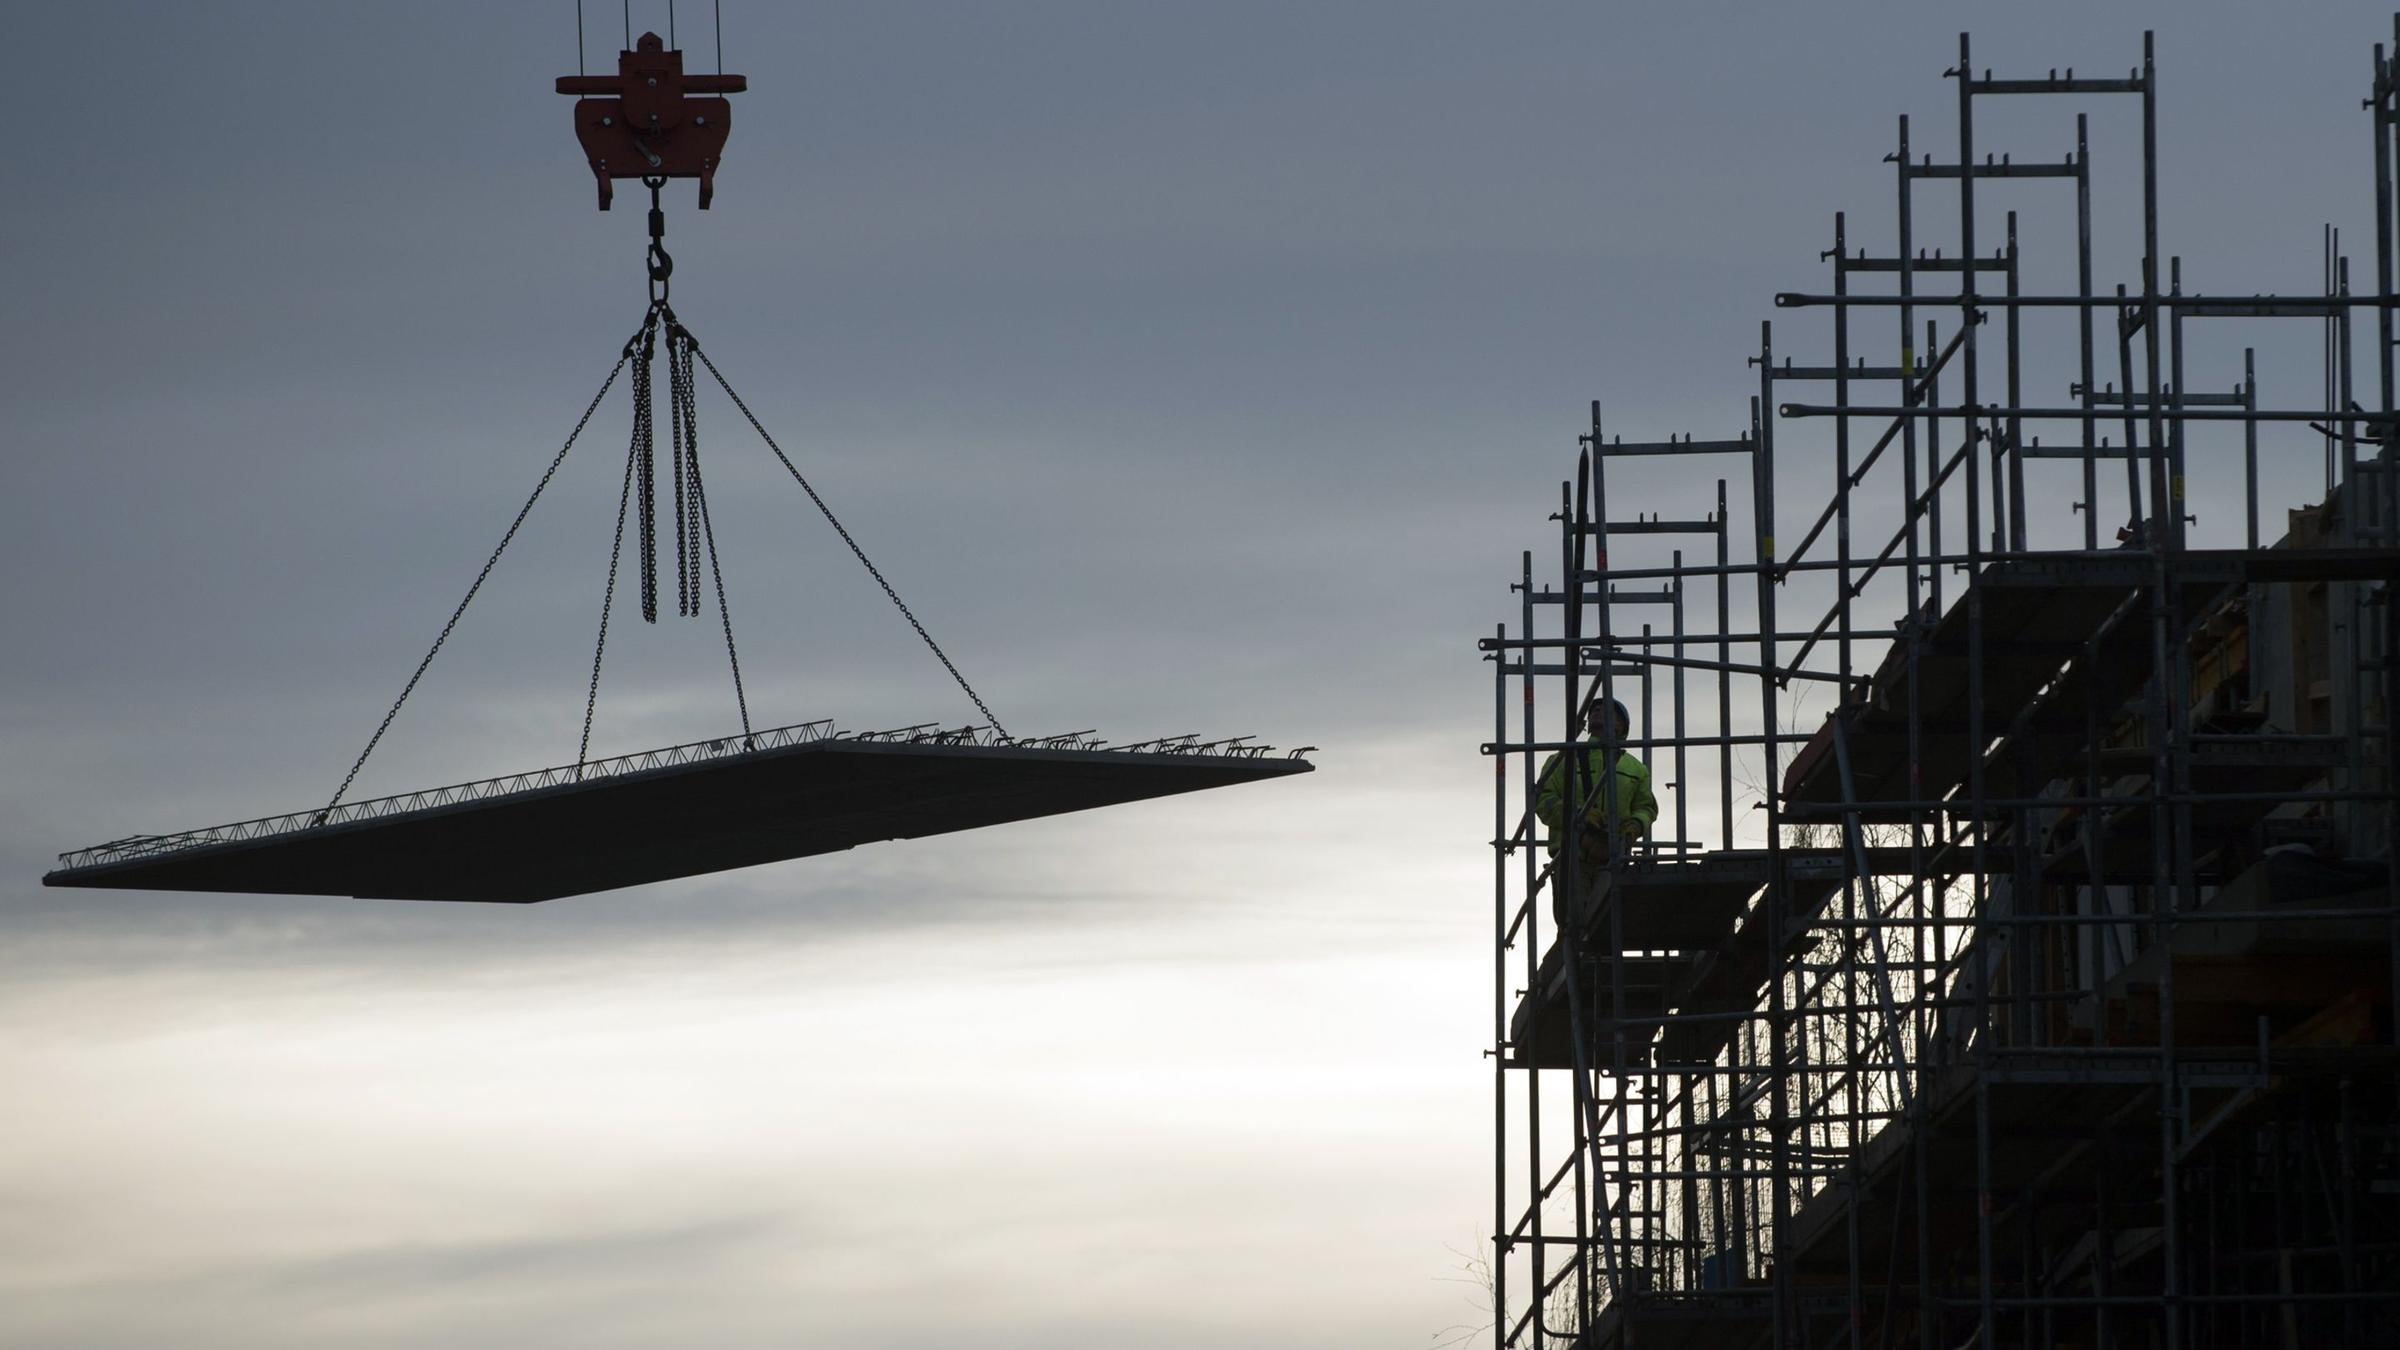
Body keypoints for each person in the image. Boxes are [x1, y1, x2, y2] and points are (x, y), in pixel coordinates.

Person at [1533, 697, 1657, 929]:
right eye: (1594, 709)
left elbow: (1646, 807)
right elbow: (1544, 800)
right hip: (1572, 858)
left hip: (1613, 858)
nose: (1597, 710)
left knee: (1610, 927)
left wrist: (1635, 826)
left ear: (1621, 726)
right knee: (1575, 927)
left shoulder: (1635, 768)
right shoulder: (1563, 759)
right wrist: (1577, 815)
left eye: (1608, 710)